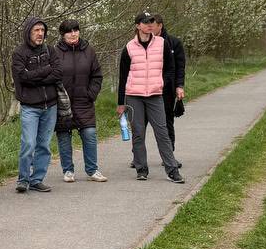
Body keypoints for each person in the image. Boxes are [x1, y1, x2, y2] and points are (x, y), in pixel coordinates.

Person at [118, 13, 185, 184]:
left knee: (162, 132)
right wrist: (120, 103)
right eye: (145, 22)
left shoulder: (162, 43)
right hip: (134, 96)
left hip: (156, 95)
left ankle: (172, 170)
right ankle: (141, 169)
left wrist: (162, 82)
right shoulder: (129, 47)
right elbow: (123, 77)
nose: (149, 25)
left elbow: (171, 67)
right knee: (138, 133)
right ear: (138, 26)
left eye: (151, 22)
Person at [12, 16, 62, 193]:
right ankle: (23, 179)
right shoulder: (19, 53)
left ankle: (37, 179)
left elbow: (57, 73)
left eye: (42, 30)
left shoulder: (50, 50)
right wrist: (46, 71)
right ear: (29, 32)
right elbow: (23, 78)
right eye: (36, 30)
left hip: (51, 106)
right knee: (28, 143)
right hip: (30, 107)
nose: (40, 34)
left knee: (44, 145)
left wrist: (36, 75)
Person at [54, 19, 105, 183]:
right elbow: (52, 77)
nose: (73, 33)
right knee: (64, 137)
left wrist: (91, 94)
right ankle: (68, 170)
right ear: (63, 35)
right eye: (69, 31)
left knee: (89, 134)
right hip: (63, 103)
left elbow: (97, 75)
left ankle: (92, 170)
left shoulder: (89, 51)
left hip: (85, 101)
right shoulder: (54, 52)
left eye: (76, 30)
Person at [151, 15, 187, 150]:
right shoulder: (143, 43)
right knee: (141, 123)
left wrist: (179, 86)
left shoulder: (174, 43)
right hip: (146, 88)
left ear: (160, 26)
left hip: (166, 89)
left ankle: (169, 151)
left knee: (167, 120)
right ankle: (138, 156)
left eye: (152, 26)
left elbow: (180, 67)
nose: (149, 28)